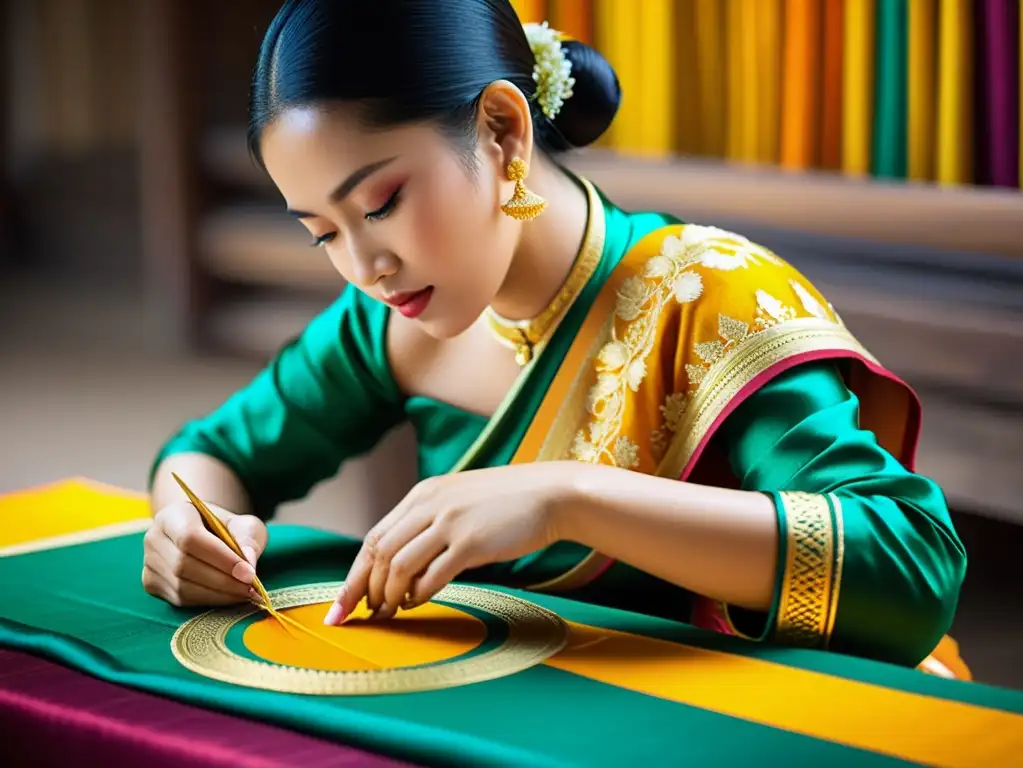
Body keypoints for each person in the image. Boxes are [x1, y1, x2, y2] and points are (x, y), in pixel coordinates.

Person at [144, 0, 966, 672]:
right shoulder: (388, 322)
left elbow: (910, 568)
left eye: (382, 202)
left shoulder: (707, 298)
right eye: (322, 232)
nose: (365, 266)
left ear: (502, 131)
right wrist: (191, 526)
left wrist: (567, 498)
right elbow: (217, 453)